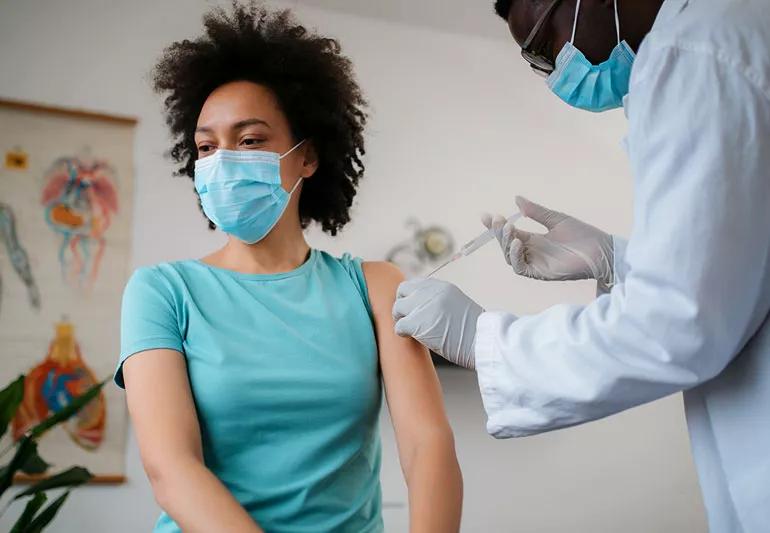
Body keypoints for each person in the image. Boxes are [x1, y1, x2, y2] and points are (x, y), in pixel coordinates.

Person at [393, 0, 770, 530]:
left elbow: (680, 321)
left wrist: (481, 340)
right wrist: (616, 259)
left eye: (547, 47)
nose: (556, 73)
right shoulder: (728, 32)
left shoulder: (694, 48)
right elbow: (736, 269)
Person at [115, 4, 462, 532]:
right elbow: (171, 468)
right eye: (207, 147)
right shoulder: (162, 292)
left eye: (250, 140)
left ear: (308, 157)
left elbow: (426, 446)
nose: (223, 160)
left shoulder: (374, 286)